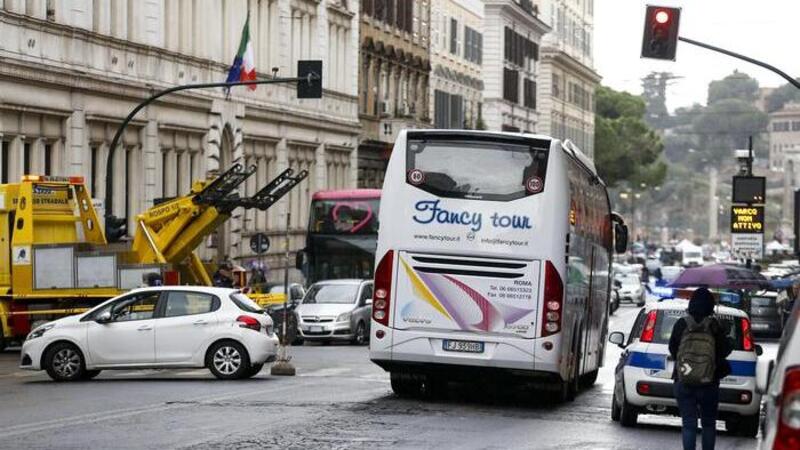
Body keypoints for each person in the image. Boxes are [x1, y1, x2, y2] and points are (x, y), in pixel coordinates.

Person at [668, 287, 733, 450]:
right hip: (709, 382)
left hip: (683, 380)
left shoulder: (681, 324)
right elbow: (724, 351)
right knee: (709, 424)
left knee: (688, 424)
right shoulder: (715, 326)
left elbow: (673, 349)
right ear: (711, 305)